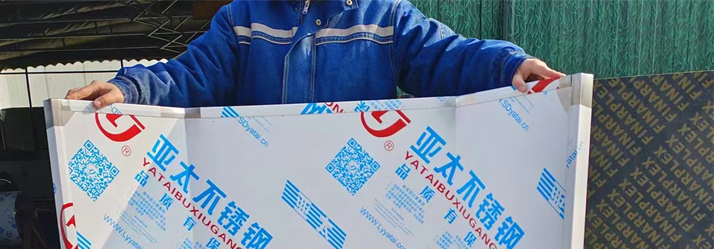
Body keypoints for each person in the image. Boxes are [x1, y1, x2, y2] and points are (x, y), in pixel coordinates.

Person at [67, 0, 561, 109]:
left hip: (360, 209)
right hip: (262, 207)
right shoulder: (242, 18)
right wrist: (129, 88)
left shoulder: (386, 18)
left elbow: (445, 56)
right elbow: (190, 76)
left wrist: (507, 64)